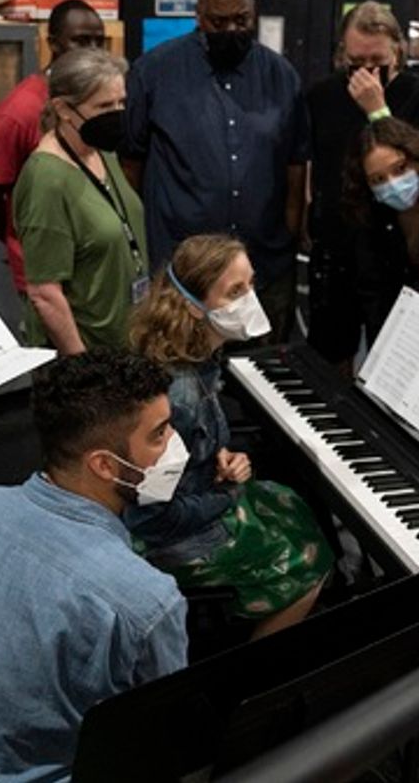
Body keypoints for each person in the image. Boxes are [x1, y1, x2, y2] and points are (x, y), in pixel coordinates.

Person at [0, 350, 187, 782]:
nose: (175, 443)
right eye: (159, 434)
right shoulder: (147, 602)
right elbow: (162, 737)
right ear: (104, 464)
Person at [127, 235, 333, 638]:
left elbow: (193, 448)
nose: (250, 299)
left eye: (251, 284)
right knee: (309, 567)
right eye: (234, 292)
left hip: (198, 498)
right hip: (172, 536)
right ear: (192, 304)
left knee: (291, 502)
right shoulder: (179, 393)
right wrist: (224, 496)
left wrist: (220, 456)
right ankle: (251, 677)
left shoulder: (198, 354)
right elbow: (151, 515)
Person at [122, 0, 309, 342]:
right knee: (184, 385)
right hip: (184, 273)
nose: (230, 31)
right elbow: (131, 165)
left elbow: (295, 167)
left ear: (253, 13)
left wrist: (288, 239)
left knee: (264, 378)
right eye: (218, 21)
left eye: (240, 20)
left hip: (264, 265)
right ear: (199, 16)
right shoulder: (154, 72)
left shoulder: (281, 76)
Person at [306, 1, 419, 368]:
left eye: (377, 63)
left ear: (398, 50)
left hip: (394, 249)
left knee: (393, 363)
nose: (366, 72)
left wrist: (377, 109)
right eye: (356, 63)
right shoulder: (322, 96)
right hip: (338, 246)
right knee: (331, 360)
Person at [12, 48, 146, 354]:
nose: (116, 113)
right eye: (103, 105)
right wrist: (84, 367)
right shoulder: (46, 179)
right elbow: (45, 293)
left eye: (121, 102)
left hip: (125, 345)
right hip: (87, 358)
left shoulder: (102, 150)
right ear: (63, 109)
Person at [0, 0, 107, 296]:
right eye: (81, 41)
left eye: (100, 41)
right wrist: (21, 242)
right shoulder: (19, 112)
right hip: (47, 277)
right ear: (53, 43)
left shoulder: (99, 103)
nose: (94, 51)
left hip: (93, 267)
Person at [340, 118, 419, 345]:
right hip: (393, 342)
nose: (393, 184)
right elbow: (373, 297)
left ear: (418, 159)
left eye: (400, 169)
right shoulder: (370, 221)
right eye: (378, 179)